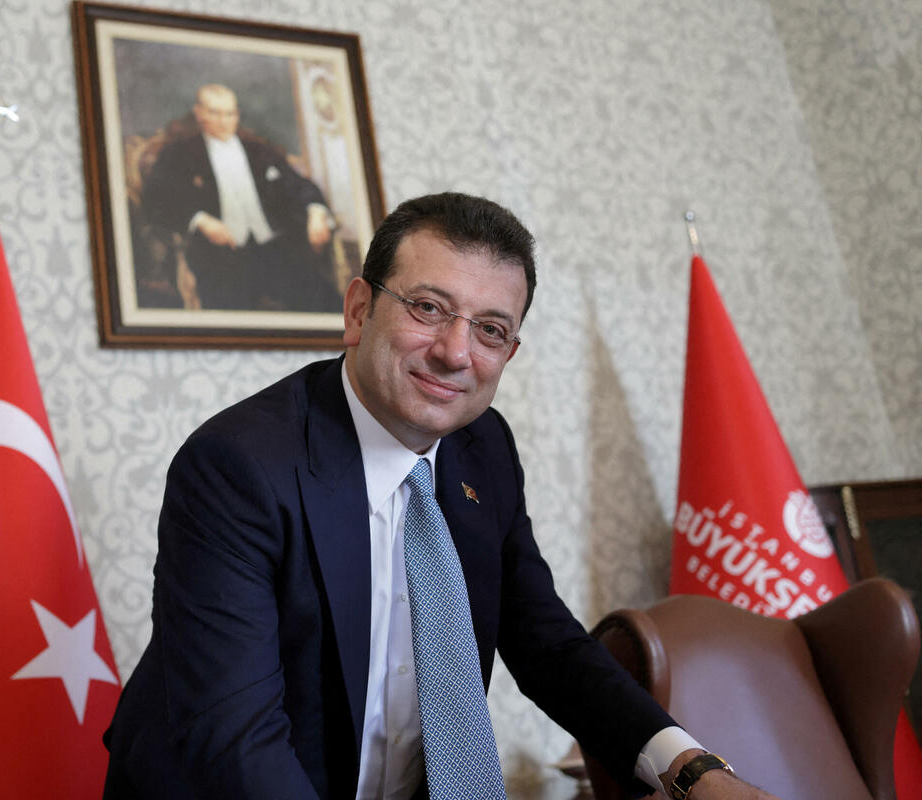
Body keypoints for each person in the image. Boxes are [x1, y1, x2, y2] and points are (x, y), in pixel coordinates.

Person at [102, 193, 778, 800]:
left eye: (490, 329)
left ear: (508, 353)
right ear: (359, 310)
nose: (456, 352)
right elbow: (234, 740)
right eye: (428, 308)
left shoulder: (484, 446)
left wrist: (690, 769)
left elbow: (546, 642)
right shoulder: (238, 466)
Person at [141, 83, 343, 313]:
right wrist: (200, 220)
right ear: (199, 113)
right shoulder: (179, 153)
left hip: (275, 249)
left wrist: (316, 212)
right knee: (233, 317)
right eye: (215, 113)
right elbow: (156, 199)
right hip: (220, 257)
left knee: (329, 306)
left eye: (230, 114)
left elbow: (299, 185)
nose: (224, 122)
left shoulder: (259, 151)